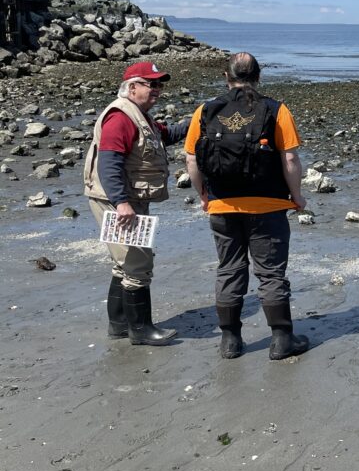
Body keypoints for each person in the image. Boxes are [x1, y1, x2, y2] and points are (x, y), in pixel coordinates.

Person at [184, 52, 310, 361]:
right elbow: (290, 159)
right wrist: (297, 196)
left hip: (222, 204)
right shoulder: (276, 110)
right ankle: (281, 340)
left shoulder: (205, 110)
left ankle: (230, 340)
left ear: (226, 77)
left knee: (229, 269)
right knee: (270, 273)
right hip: (267, 205)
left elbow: (191, 159)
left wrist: (203, 194)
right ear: (259, 76)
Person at [83, 61, 188, 346]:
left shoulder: (140, 116)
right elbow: (109, 162)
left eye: (160, 85)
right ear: (132, 87)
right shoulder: (121, 117)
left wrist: (201, 120)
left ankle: (119, 325)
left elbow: (167, 135)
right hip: (116, 201)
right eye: (151, 84)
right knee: (137, 262)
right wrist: (121, 203)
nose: (158, 90)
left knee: (123, 263)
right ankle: (141, 330)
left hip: (122, 199)